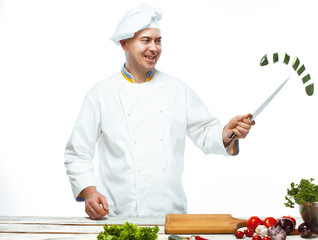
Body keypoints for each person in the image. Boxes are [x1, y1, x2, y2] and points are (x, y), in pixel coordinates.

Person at [64, 3, 254, 220]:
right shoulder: (101, 93)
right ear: (124, 44)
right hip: (116, 215)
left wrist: (228, 131)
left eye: (158, 41)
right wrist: (89, 192)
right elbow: (77, 152)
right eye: (146, 40)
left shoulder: (177, 90)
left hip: (170, 217)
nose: (154, 48)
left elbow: (205, 132)